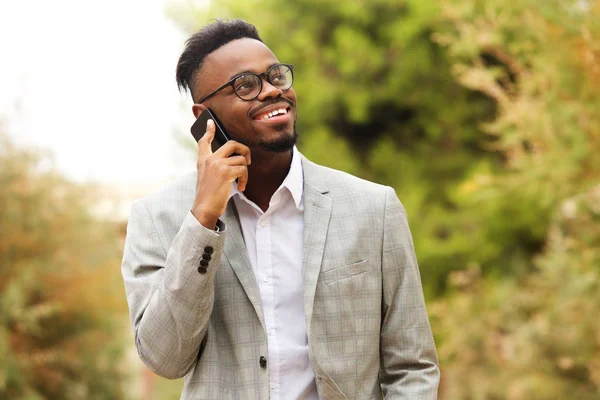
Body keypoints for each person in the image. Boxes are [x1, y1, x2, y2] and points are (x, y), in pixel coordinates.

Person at [121, 19, 440, 399]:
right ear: (204, 117)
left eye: (275, 76)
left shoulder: (375, 209)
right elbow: (165, 359)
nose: (272, 91)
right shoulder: (156, 219)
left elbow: (412, 366)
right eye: (245, 86)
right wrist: (202, 221)